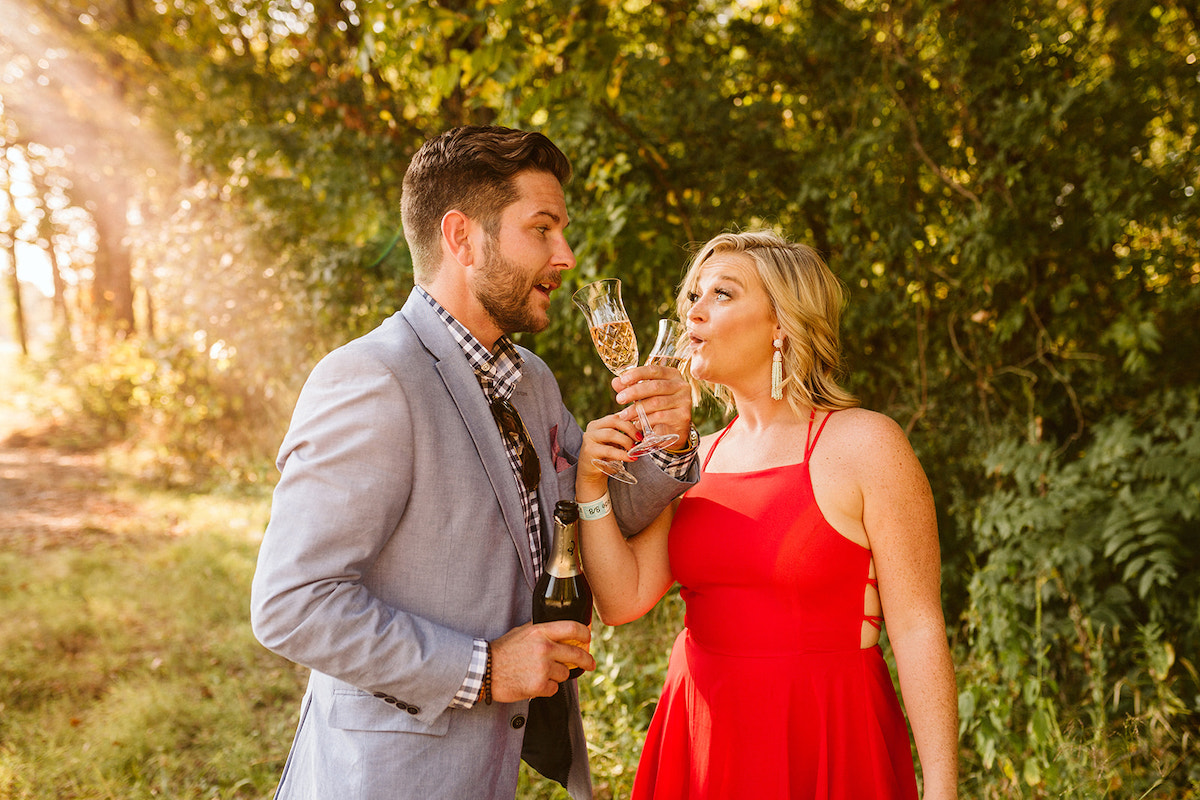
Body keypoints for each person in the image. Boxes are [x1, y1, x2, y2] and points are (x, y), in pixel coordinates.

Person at [249, 125, 698, 800]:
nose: (566, 255)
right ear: (461, 237)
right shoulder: (371, 379)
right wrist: (484, 670)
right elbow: (291, 604)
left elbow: (602, 508)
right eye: (541, 229)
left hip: (490, 771)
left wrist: (671, 442)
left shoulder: (532, 381)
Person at [574, 230, 959, 799]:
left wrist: (943, 791)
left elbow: (919, 627)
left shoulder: (867, 444)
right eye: (693, 297)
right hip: (701, 737)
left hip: (826, 733)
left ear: (782, 323)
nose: (693, 313)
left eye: (722, 294)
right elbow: (622, 598)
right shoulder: (693, 457)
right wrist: (591, 484)